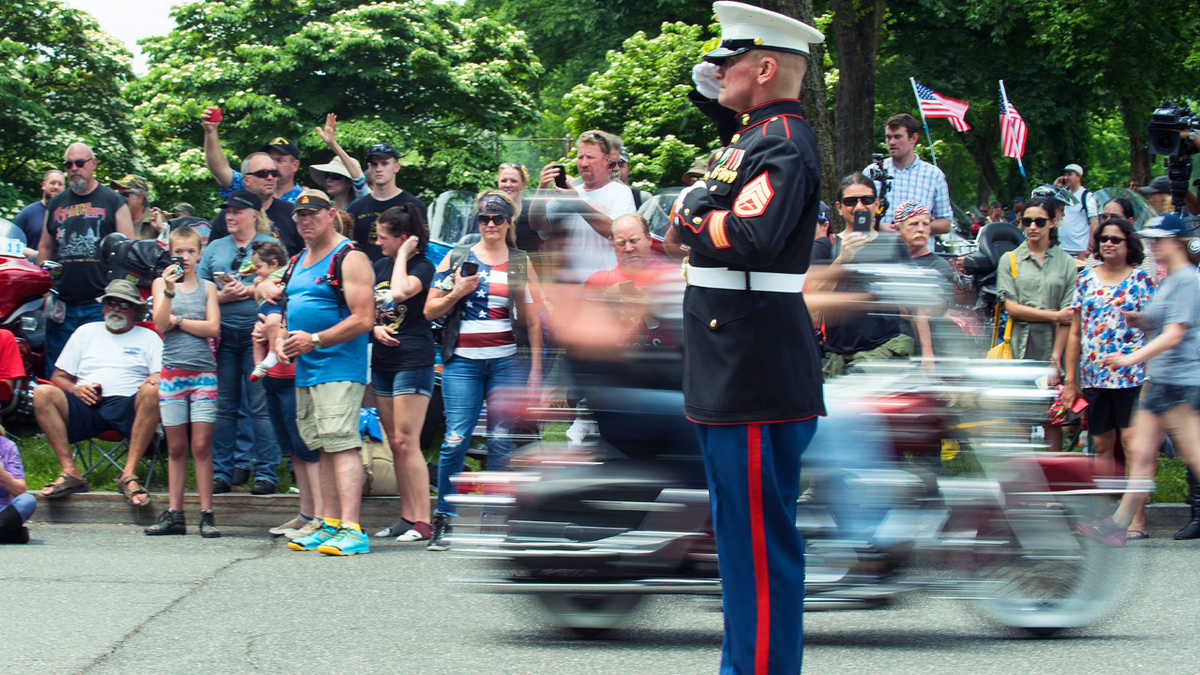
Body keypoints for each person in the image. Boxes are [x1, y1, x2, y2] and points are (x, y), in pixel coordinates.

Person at [678, 3, 825, 672]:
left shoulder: (783, 142)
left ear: (765, 68)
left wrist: (690, 216)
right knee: (739, 549)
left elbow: (748, 236)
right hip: (732, 361)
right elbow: (722, 197)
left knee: (760, 557)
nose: (715, 70)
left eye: (729, 61)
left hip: (755, 368)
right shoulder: (754, 135)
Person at [424, 191, 542, 551]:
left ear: (509, 223)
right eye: (484, 219)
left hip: (506, 360)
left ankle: (495, 520)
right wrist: (458, 290)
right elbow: (430, 311)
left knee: (501, 441)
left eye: (498, 219)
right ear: (477, 222)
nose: (491, 225)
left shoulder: (521, 262)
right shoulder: (457, 257)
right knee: (454, 440)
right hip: (463, 362)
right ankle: (444, 518)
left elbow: (536, 323)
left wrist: (536, 371)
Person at [1076, 214, 1200, 545]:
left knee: (1195, 455)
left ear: (1176, 241)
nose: (1152, 244)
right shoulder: (1171, 279)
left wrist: (1130, 358)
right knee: (1142, 456)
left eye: (1158, 239)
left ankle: (1117, 523)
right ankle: (1116, 524)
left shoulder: (1187, 278)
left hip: (1180, 383)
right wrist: (1140, 320)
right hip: (1161, 381)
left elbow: (1175, 334)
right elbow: (1160, 323)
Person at [277, 190, 375, 556]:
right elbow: (291, 313)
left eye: (312, 214)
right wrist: (281, 342)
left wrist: (315, 340)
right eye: (299, 215)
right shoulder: (298, 259)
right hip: (307, 368)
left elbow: (364, 319)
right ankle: (329, 524)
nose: (305, 220)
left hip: (337, 367)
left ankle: (352, 529)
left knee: (341, 442)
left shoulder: (349, 257)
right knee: (321, 446)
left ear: (330, 214)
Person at [1061, 217, 1154, 538]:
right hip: (1095, 377)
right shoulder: (1085, 279)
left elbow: (1154, 330)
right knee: (1101, 447)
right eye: (1104, 239)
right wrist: (1071, 380)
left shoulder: (1141, 280)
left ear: (1129, 245)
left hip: (1131, 377)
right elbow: (1075, 333)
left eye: (1116, 239)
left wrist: (1149, 375)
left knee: (1132, 446)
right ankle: (1103, 517)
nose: (1109, 244)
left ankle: (1137, 520)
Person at [33, 280, 162, 504]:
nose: (117, 308)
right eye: (111, 302)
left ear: (134, 311)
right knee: (42, 392)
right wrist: (75, 388)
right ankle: (70, 472)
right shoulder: (85, 332)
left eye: (125, 305)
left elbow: (163, 375)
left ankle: (128, 474)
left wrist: (155, 377)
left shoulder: (148, 337)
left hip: (129, 407)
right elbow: (58, 377)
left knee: (154, 391)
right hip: (87, 404)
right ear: (102, 306)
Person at [197, 190, 280, 496]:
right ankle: (223, 471)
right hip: (223, 335)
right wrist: (222, 296)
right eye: (227, 212)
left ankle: (266, 473)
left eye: (236, 212)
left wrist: (246, 292)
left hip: (257, 333)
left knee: (260, 406)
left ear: (253, 215)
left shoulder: (271, 244)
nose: (229, 217)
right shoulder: (215, 247)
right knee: (224, 407)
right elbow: (198, 291)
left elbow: (282, 286)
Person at [145, 227, 222, 537]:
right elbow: (160, 324)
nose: (185, 258)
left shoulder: (208, 288)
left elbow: (213, 328)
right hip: (172, 373)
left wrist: (180, 321)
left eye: (191, 252)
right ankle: (175, 513)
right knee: (176, 448)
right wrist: (168, 290)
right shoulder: (161, 285)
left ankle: (207, 513)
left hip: (204, 374)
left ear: (199, 253)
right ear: (171, 253)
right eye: (180, 252)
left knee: (201, 445)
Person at [811, 176, 930, 378]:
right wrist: (842, 259)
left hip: (886, 352)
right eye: (851, 201)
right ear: (839, 208)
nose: (859, 206)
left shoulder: (894, 244)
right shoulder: (825, 246)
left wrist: (928, 356)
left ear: (876, 204)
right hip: (837, 357)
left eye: (866, 200)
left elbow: (915, 303)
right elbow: (812, 297)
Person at [369, 204, 436, 543]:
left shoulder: (424, 266)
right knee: (394, 443)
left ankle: (424, 521)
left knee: (407, 441)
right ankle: (406, 515)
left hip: (413, 359)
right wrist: (373, 331)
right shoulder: (378, 264)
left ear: (404, 239)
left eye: (384, 237)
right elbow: (370, 310)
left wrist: (404, 257)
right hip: (382, 361)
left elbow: (399, 292)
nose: (378, 242)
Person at [38, 143, 135, 373]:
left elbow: (130, 249)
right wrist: (43, 291)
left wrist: (122, 296)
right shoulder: (55, 203)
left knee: (97, 367)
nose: (73, 168)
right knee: (59, 368)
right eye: (68, 164)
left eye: (79, 163)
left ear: (93, 164)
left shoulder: (113, 200)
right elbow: (45, 245)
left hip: (100, 301)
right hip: (62, 300)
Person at [997, 194, 1077, 452]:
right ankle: (1023, 481)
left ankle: (1053, 479)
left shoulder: (1065, 262)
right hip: (1021, 349)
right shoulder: (1010, 259)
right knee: (1021, 419)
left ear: (1052, 222)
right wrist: (1054, 315)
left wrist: (1056, 358)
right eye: (1027, 221)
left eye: (1040, 221)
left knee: (1053, 417)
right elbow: (1012, 308)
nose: (1032, 227)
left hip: (1054, 349)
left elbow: (1069, 314)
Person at [531, 131, 636, 282]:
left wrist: (576, 203)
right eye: (581, 157)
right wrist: (541, 189)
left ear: (606, 160)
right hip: (569, 289)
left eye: (591, 157)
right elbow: (538, 225)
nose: (584, 163)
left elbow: (616, 233)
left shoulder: (620, 192)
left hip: (606, 288)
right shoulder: (569, 192)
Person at [863, 114, 952, 247]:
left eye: (898, 137)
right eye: (888, 137)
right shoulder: (872, 172)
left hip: (918, 257)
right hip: (878, 253)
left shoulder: (934, 175)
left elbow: (945, 224)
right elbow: (856, 217)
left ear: (913, 138)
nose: (892, 142)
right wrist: (877, 226)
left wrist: (913, 227)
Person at [207, 153, 304, 256]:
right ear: (246, 180)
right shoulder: (226, 216)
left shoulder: (292, 212)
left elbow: (305, 256)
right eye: (262, 173)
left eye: (274, 173)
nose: (270, 177)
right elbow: (210, 258)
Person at [345, 143, 428, 262]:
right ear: (369, 167)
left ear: (396, 167)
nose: (379, 169)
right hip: (365, 275)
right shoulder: (355, 207)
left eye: (385, 163)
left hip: (402, 274)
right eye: (374, 164)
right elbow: (350, 248)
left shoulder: (414, 205)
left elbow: (422, 247)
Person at [201, 108, 304, 202]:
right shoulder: (248, 184)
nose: (273, 166)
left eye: (280, 160)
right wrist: (211, 132)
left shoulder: (303, 199)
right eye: (270, 160)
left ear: (295, 165)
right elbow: (219, 168)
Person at [309, 114, 370, 211]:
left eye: (335, 176)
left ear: (350, 182)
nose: (329, 179)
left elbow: (359, 179)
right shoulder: (324, 208)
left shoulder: (360, 203)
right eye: (327, 175)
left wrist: (332, 144)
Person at [248, 241, 290, 381]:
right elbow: (258, 296)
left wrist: (271, 288)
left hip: (276, 306)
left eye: (259, 267)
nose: (257, 271)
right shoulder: (264, 277)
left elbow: (282, 290)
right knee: (256, 337)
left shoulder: (283, 271)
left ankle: (272, 352)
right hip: (265, 307)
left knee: (273, 323)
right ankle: (258, 366)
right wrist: (258, 284)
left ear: (273, 263)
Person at [1088, 198, 1159, 280]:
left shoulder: (1145, 256)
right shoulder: (1095, 255)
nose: (1109, 221)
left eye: (1114, 217)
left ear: (1130, 221)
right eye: (1104, 217)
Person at [896, 200, 954, 283]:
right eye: (914, 224)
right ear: (898, 229)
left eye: (926, 224)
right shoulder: (887, 261)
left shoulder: (939, 266)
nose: (921, 229)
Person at [12, 169, 64, 249]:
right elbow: (11, 243)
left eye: (60, 184)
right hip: (32, 261)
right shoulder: (28, 213)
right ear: (43, 185)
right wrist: (33, 254)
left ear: (64, 188)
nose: (56, 187)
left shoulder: (69, 213)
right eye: (52, 183)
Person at [0, 427, 35, 544]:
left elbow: (20, 491)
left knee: (28, 500)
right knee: (21, 536)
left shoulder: (7, 446)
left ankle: (7, 532)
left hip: (2, 513)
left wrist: (1, 473)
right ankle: (10, 534)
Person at [110, 174, 159, 240]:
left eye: (123, 195)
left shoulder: (156, 220)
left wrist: (162, 230)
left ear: (139, 198)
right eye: (117, 195)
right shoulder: (112, 219)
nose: (119, 199)